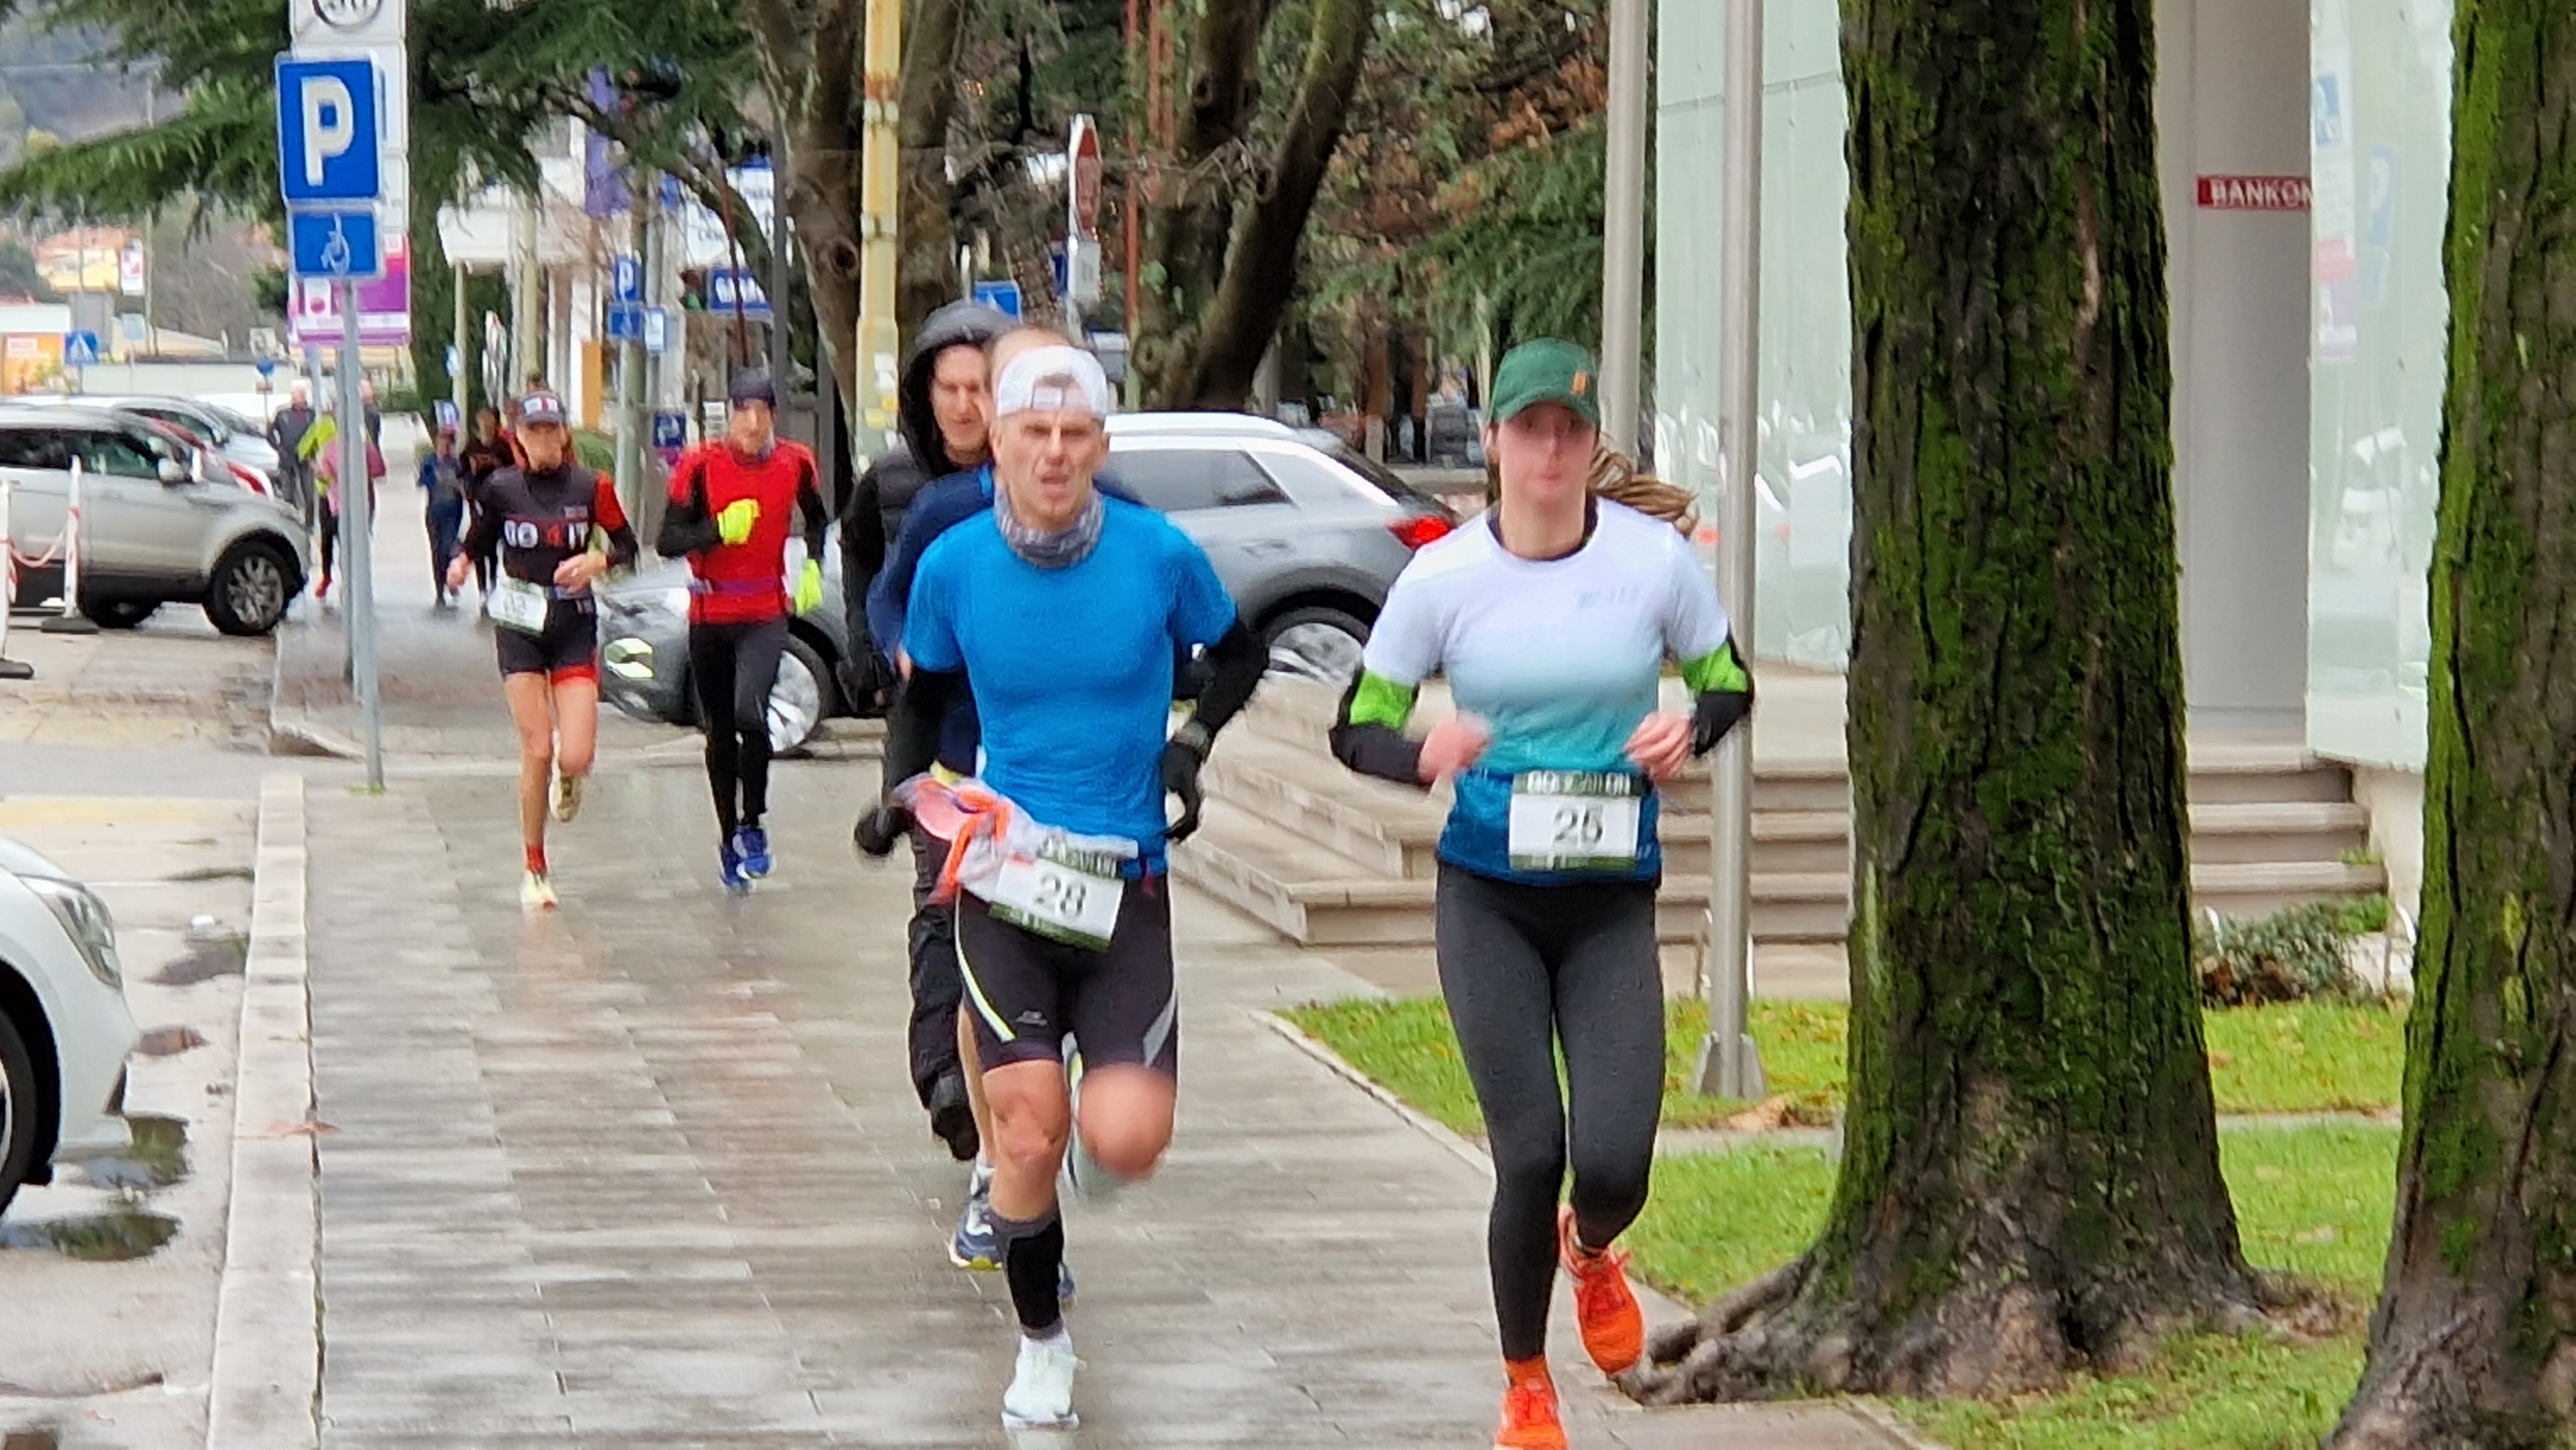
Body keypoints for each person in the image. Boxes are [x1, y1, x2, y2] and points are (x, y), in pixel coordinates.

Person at [1326, 340, 1753, 1450]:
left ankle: (1593, 1246)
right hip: (1490, 901)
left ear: (1591, 443)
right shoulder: (1446, 577)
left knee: (1613, 1164)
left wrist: (1689, 728)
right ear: (1497, 443)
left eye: (1569, 431)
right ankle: (1526, 1383)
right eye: (1529, 431)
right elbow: (1356, 725)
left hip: (1610, 902)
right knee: (1528, 1152)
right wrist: (1421, 752)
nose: (1549, 452)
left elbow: (1729, 682)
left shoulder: (1654, 562)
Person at [855, 344, 1267, 1431]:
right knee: (1028, 1134)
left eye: (1074, 434)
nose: (1052, 453)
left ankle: (1080, 1149)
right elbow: (923, 693)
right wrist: (902, 794)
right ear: (995, 441)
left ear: (1099, 446)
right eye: (1031, 433)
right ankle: (1042, 1342)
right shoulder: (954, 563)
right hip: (1008, 877)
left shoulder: (1155, 553)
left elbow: (1240, 654)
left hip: (1126, 882)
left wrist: (1188, 749)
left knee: (1125, 1139)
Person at [861, 324, 1157, 1279]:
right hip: (965, 779)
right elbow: (891, 602)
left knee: (1084, 968)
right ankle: (1001, 1162)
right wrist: (908, 661)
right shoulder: (948, 513)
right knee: (966, 959)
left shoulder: (1123, 515)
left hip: (1091, 809)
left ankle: (1078, 1122)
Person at [838, 301, 1012, 1156]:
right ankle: (943, 1072)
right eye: (950, 388)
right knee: (940, 895)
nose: (966, 405)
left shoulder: (1042, 480)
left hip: (1026, 730)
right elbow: (871, 570)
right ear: (925, 393)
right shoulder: (902, 484)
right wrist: (886, 647)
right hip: (932, 726)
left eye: (982, 387)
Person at [447, 391, 638, 911]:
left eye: (552, 430)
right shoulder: (502, 487)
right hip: (520, 625)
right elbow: (480, 537)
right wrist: (462, 562)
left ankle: (568, 777)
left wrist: (596, 562)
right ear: (519, 438)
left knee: (575, 753)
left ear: (564, 434)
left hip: (573, 623)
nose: (544, 441)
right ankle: (534, 866)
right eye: (535, 431)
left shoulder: (592, 487)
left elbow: (627, 545)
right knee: (537, 747)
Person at [654, 370, 829, 892]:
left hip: (764, 611)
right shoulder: (699, 466)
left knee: (752, 711)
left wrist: (813, 567)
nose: (752, 423)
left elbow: (818, 519)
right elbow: (667, 540)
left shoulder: (795, 463)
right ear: (729, 415)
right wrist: (716, 530)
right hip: (711, 613)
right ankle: (728, 835)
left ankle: (754, 820)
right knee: (719, 729)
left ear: (773, 415)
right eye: (743, 412)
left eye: (762, 412)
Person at [459, 408, 515, 601]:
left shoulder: (502, 447)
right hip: (478, 498)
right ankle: (482, 587)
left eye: (489, 421)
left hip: (496, 500)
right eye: (482, 421)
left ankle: (493, 583)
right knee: (478, 542)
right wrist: (473, 468)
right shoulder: (472, 445)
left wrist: (496, 463)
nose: (485, 425)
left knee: (493, 544)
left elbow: (512, 470)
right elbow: (463, 471)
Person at [421, 428, 468, 610]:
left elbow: (465, 486)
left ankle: (451, 581)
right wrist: (435, 478)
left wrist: (458, 485)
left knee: (449, 548)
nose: (444, 448)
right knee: (436, 551)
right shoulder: (430, 461)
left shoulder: (456, 464)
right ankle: (439, 590)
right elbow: (422, 481)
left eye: (448, 445)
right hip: (435, 511)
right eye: (441, 444)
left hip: (453, 511)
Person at [268, 381, 317, 523]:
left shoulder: (312, 414)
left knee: (309, 492)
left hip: (306, 458)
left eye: (299, 395)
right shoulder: (283, 414)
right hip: (287, 457)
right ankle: (290, 520)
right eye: (294, 395)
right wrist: (279, 449)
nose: (295, 398)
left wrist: (313, 454)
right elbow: (271, 433)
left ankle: (309, 522)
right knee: (288, 492)